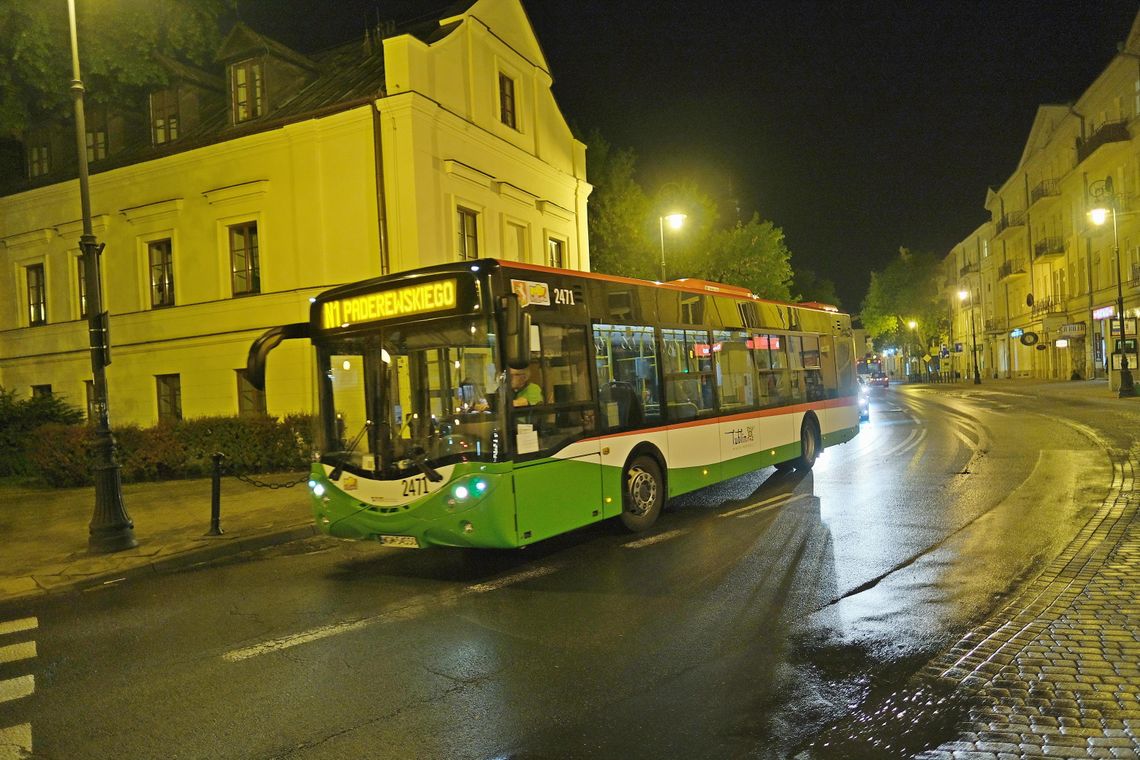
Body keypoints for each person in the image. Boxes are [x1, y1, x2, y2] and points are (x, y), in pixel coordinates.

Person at [475, 366, 543, 410]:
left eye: (514, 375)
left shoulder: (533, 388)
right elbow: (491, 401)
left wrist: (491, 406)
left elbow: (520, 403)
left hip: (526, 428)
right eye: (508, 375)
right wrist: (482, 405)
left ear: (524, 377)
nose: (509, 378)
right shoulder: (504, 389)